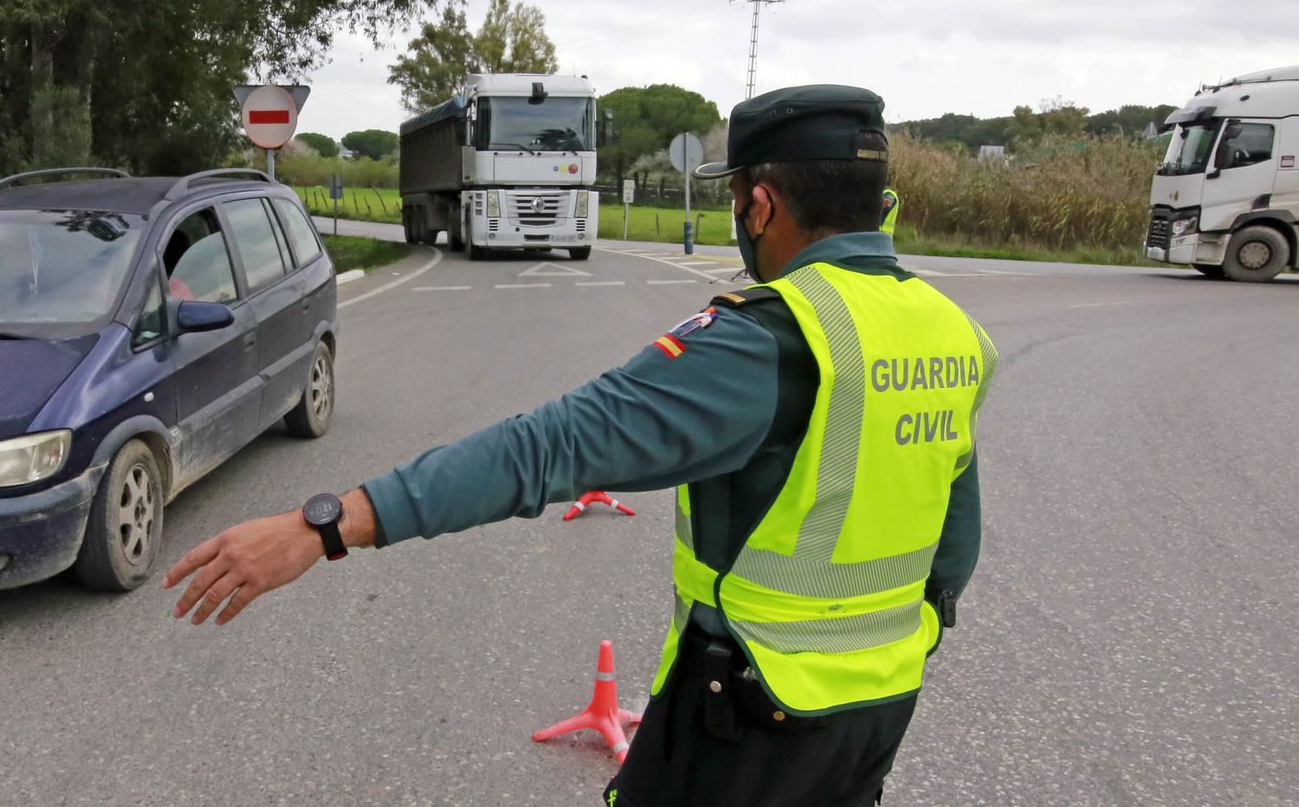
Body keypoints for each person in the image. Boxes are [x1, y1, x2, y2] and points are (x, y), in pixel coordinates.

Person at [164, 84, 997, 806]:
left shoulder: (772, 341)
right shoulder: (951, 331)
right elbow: (952, 549)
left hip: (749, 719)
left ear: (762, 205)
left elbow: (549, 448)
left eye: (738, 198)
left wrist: (324, 524)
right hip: (881, 710)